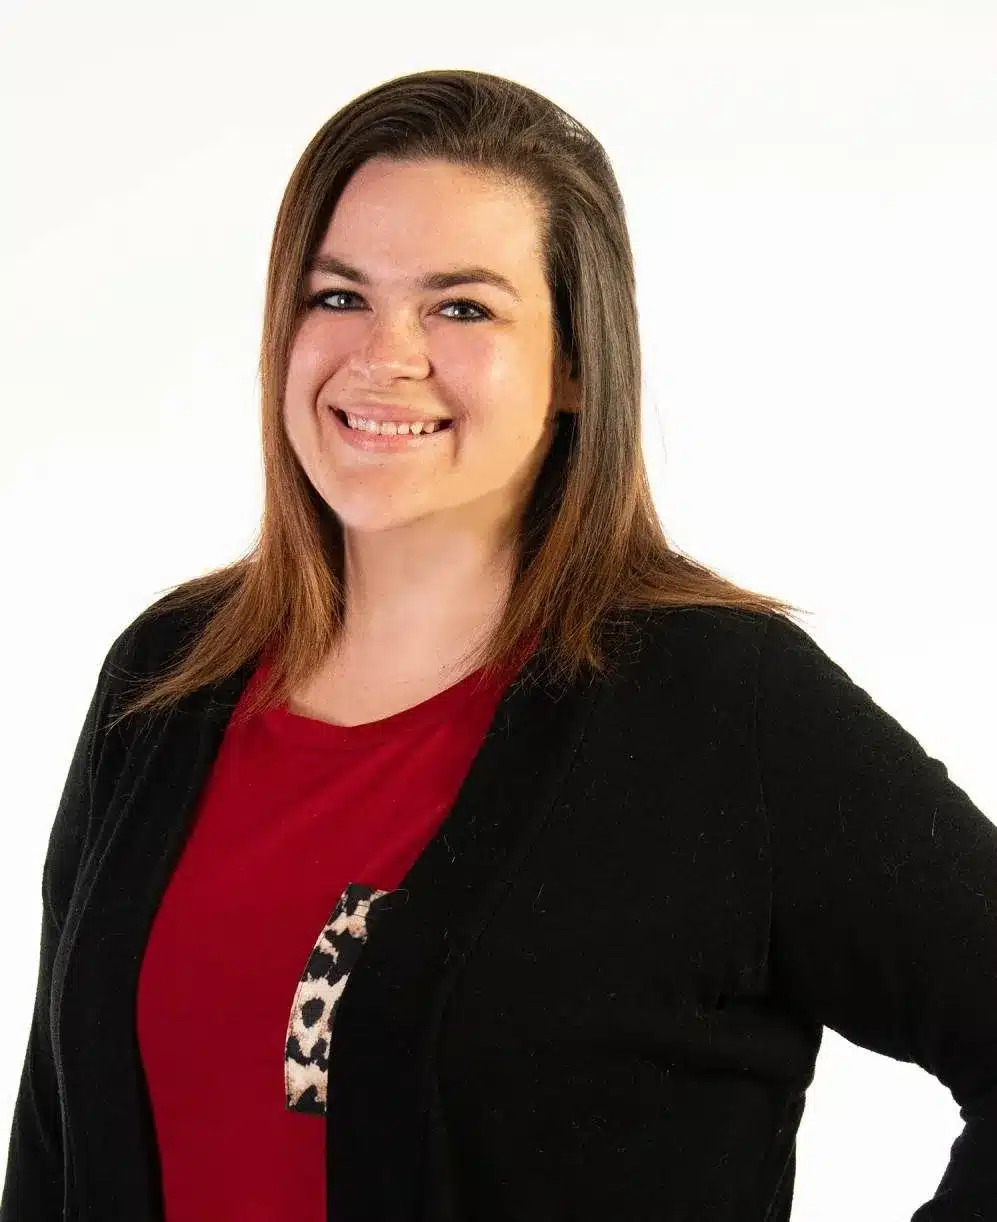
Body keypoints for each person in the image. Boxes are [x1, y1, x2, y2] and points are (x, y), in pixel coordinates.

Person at [1, 68, 994, 1222]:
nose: (385, 355)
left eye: (460, 307)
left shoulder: (723, 705)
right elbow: (55, 1142)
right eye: (338, 297)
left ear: (574, 365)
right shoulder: (169, 678)